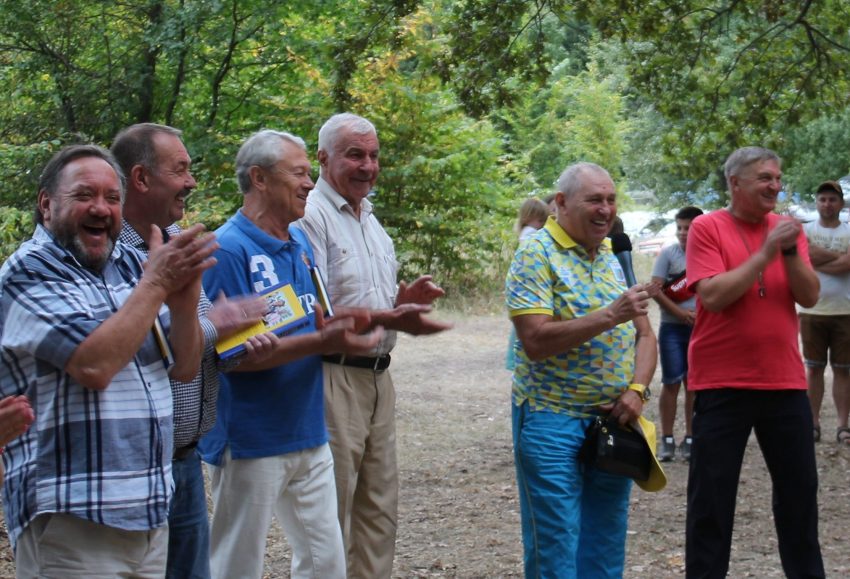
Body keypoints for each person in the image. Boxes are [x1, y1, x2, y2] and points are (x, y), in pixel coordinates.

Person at [0, 144, 216, 577]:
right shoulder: (28, 271)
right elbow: (94, 366)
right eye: (84, 195)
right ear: (46, 204)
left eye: (112, 198)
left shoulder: (134, 265)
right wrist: (157, 284)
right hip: (74, 517)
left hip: (149, 512)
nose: (101, 208)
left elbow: (185, 368)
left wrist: (185, 302)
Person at [200, 129, 386, 579]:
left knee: (326, 563)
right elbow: (234, 357)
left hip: (308, 429)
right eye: (299, 173)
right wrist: (324, 343)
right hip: (252, 437)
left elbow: (316, 320)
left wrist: (389, 315)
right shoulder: (227, 249)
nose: (309, 183)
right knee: (236, 564)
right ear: (260, 178)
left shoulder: (298, 244)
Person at [298, 112, 452, 578]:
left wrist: (403, 303)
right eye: (355, 155)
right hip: (332, 376)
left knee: (378, 513)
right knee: (329, 519)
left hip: (378, 378)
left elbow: (369, 302)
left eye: (374, 155)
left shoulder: (369, 217)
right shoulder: (310, 216)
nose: (368, 166)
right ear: (323, 158)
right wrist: (390, 316)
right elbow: (313, 312)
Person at [110, 123, 266, 579]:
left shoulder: (177, 237)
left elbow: (190, 342)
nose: (191, 182)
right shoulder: (109, 253)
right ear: (141, 178)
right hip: (138, 470)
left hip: (186, 461)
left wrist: (233, 346)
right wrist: (218, 325)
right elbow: (145, 348)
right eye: (180, 170)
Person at [505, 161, 658, 578]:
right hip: (550, 420)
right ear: (561, 202)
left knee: (604, 544)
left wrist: (637, 390)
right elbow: (535, 340)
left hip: (614, 422)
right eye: (594, 200)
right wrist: (610, 315)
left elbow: (646, 335)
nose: (605, 209)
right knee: (555, 546)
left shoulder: (612, 254)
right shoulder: (535, 254)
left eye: (611, 199)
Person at [685, 146, 824, 578]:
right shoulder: (707, 227)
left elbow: (810, 296)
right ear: (735, 183)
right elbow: (713, 296)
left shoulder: (786, 231)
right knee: (711, 500)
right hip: (722, 382)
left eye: (778, 178)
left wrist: (788, 252)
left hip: (784, 382)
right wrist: (765, 254)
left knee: (800, 495)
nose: (775, 186)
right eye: (765, 177)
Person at [650, 206, 703, 462]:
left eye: (688, 228)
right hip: (672, 327)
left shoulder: (707, 253)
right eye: (679, 228)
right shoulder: (668, 254)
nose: (683, 233)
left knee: (693, 383)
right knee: (671, 381)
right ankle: (667, 438)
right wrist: (680, 313)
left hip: (700, 328)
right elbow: (654, 289)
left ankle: (691, 437)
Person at [799, 180, 850, 445]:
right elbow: (804, 255)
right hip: (812, 309)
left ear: (841, 203)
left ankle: (843, 426)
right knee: (813, 369)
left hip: (845, 310)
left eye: (832, 199)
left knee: (843, 370)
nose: (827, 204)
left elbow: (847, 265)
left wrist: (818, 260)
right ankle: (812, 423)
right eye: (822, 199)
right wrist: (838, 259)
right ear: (816, 203)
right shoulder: (805, 230)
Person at [507, 198, 550, 370]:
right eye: (540, 220)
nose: (542, 225)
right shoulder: (531, 234)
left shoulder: (528, 232)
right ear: (528, 217)